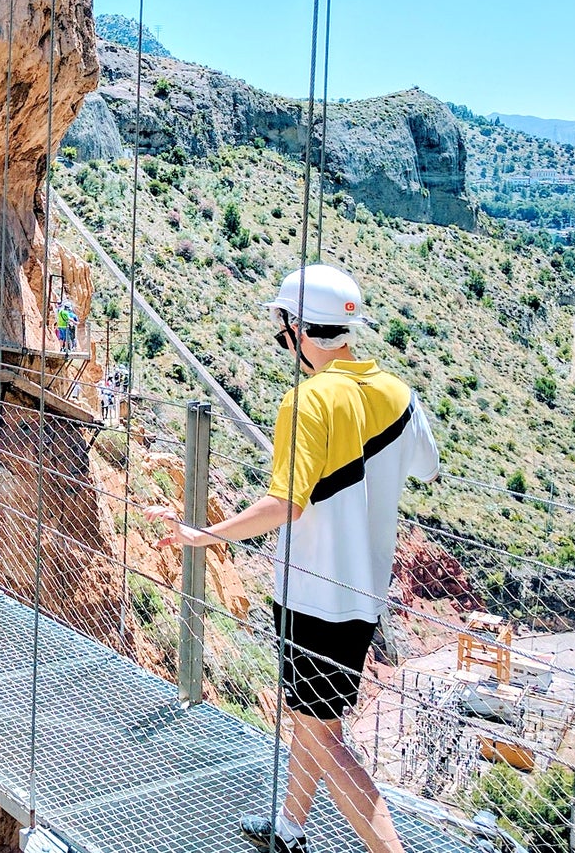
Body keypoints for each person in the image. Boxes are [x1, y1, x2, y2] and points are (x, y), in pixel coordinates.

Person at [156, 264, 438, 853]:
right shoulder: (398, 396)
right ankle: (290, 828)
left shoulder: (306, 402)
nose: (282, 339)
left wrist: (205, 536)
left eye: (283, 327)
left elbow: (284, 504)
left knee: (325, 739)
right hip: (363, 598)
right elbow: (427, 469)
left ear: (299, 331)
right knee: (314, 722)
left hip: (311, 596)